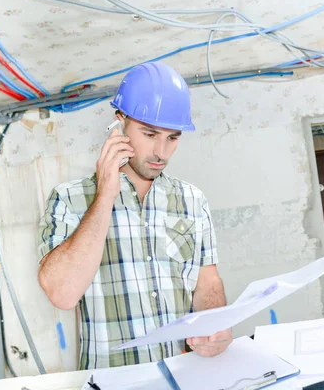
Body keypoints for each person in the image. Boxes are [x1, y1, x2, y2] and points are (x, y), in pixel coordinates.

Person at [37, 62, 232, 370]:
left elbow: (207, 282)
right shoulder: (68, 199)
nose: (161, 152)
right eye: (150, 133)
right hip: (113, 379)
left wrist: (215, 325)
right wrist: (104, 197)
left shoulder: (193, 200)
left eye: (172, 138)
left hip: (185, 375)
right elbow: (62, 294)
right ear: (120, 124)